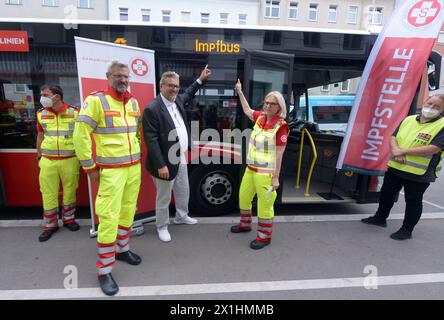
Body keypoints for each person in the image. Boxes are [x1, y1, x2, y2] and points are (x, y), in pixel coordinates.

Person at [73, 61, 142, 296]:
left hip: (133, 169)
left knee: (128, 212)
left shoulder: (133, 102)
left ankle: (122, 249)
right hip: (111, 172)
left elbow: (135, 135)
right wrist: (89, 166)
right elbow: (80, 135)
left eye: (125, 76)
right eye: (118, 76)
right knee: (109, 218)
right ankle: (104, 270)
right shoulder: (96, 101)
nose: (123, 79)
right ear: (108, 76)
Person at [142, 65, 211, 243]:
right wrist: (160, 165)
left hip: (179, 157)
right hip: (164, 161)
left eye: (176, 86)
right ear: (161, 86)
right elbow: (151, 140)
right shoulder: (152, 109)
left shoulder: (177, 100)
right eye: (170, 85)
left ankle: (181, 216)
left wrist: (200, 79)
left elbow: (189, 92)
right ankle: (162, 226)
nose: (174, 89)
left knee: (183, 188)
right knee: (164, 196)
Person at [361, 94, 444, 240]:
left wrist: (403, 151)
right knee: (386, 193)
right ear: (425, 102)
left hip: (419, 172)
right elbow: (393, 136)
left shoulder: (441, 125)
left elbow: (434, 148)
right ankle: (380, 218)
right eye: (430, 103)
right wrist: (395, 151)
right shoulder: (409, 119)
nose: (430, 108)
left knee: (413, 201)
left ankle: (407, 230)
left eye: (436, 107)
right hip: (396, 165)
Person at [230, 79, 289, 250]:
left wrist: (276, 178)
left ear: (279, 107)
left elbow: (279, 154)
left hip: (266, 174)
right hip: (251, 169)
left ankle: (264, 237)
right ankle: (245, 224)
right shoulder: (260, 118)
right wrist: (240, 92)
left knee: (265, 206)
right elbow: (247, 110)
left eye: (273, 104)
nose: (268, 106)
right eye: (267, 102)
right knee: (243, 198)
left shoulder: (281, 126)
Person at [36, 84, 80, 242]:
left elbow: (82, 136)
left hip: (70, 160)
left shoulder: (75, 112)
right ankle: (50, 224)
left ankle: (68, 219)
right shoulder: (41, 114)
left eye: (45, 94)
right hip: (48, 160)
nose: (42, 97)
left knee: (70, 191)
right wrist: (39, 154)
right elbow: (40, 135)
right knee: (48, 193)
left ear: (57, 97)